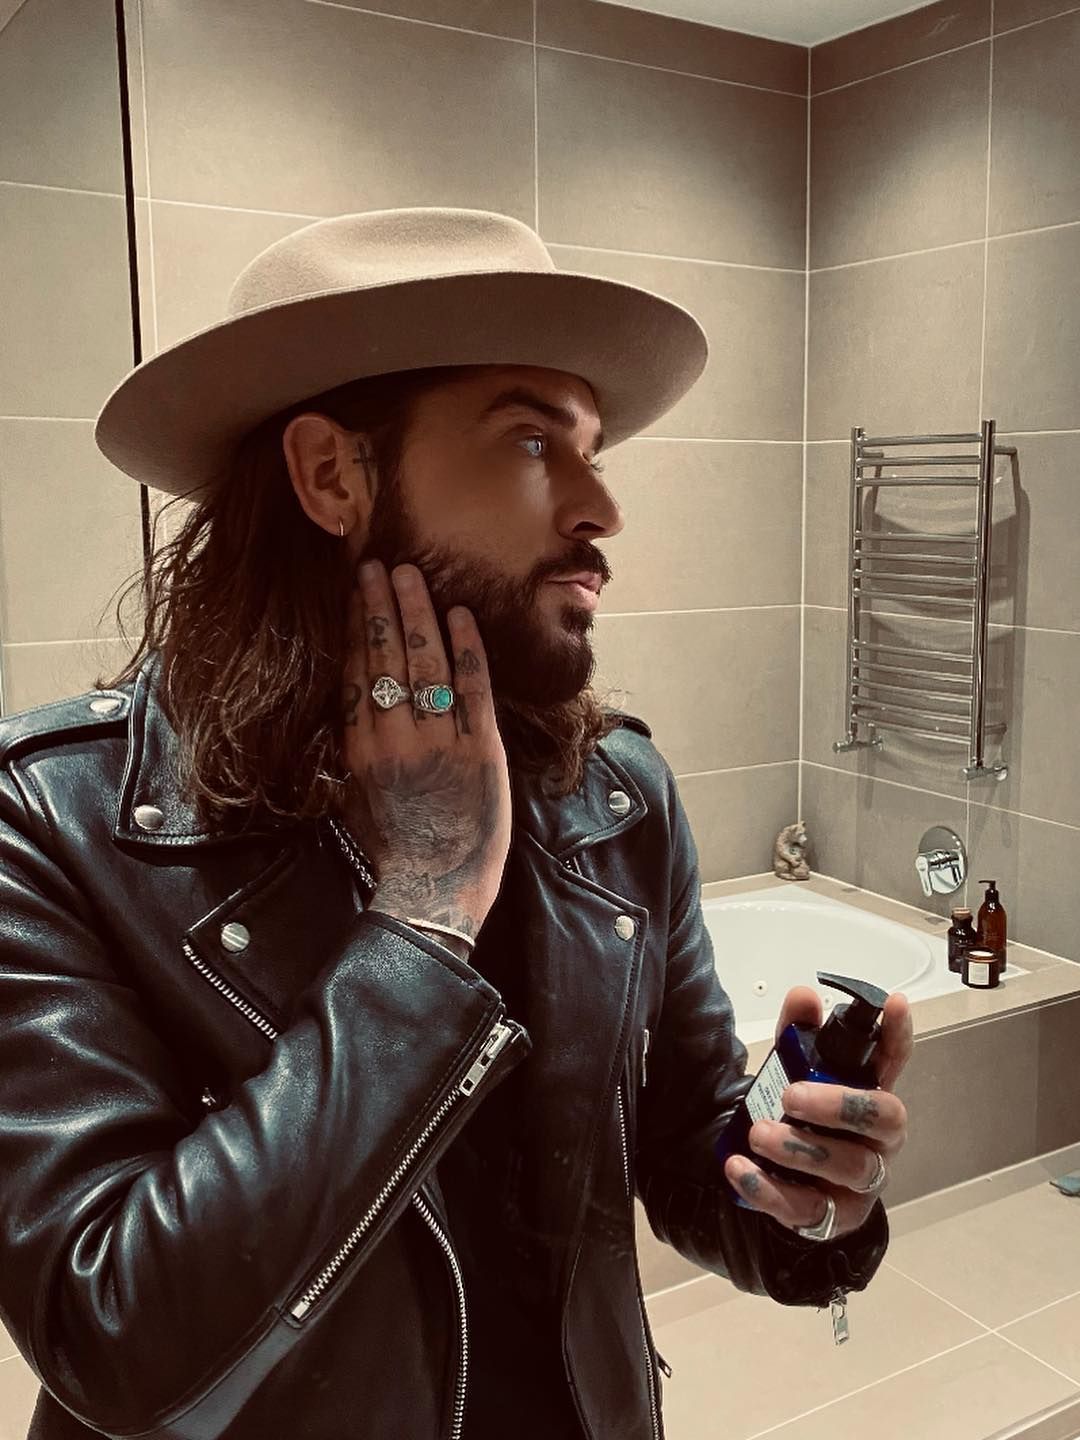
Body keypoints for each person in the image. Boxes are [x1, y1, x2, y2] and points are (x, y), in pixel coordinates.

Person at [0, 207, 909, 1440]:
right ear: (332, 475)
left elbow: (685, 1159)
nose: (602, 509)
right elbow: (111, 1335)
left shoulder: (616, 796)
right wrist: (425, 912)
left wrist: (803, 1196)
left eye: (593, 450)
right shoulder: (57, 824)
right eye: (535, 440)